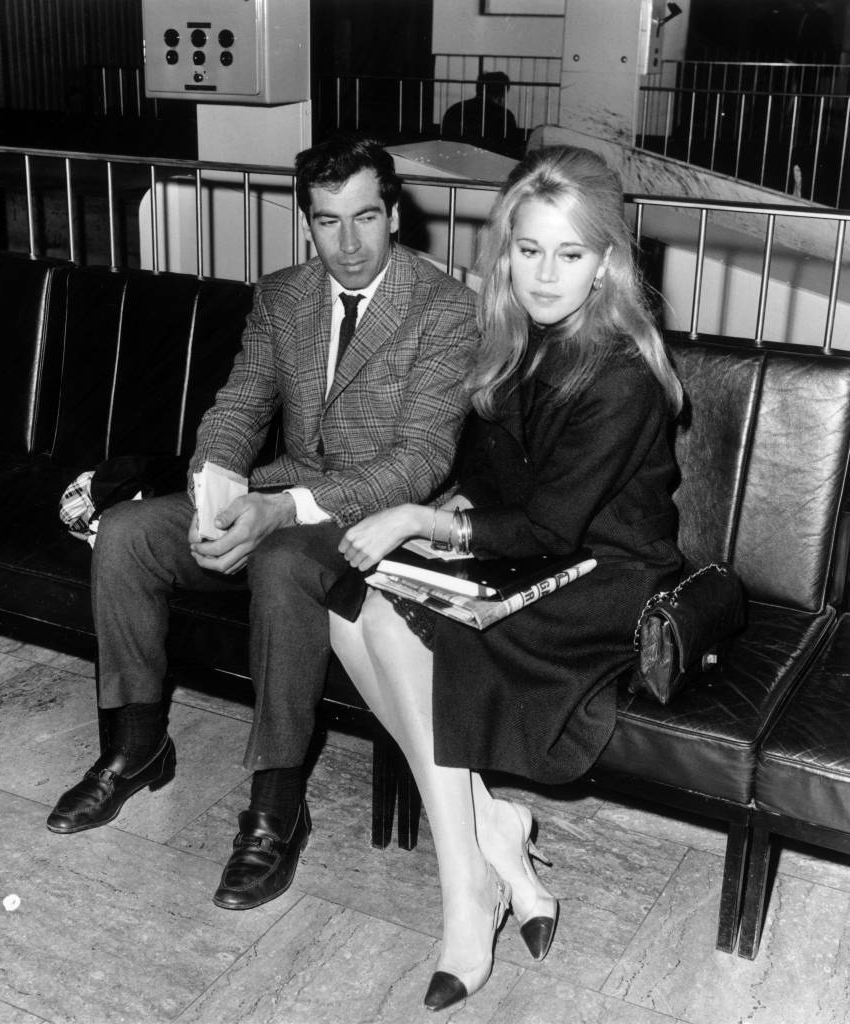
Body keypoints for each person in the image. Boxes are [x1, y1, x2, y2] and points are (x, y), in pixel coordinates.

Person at [46, 135, 479, 913]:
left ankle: (277, 801)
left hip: (377, 521)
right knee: (125, 536)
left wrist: (281, 510)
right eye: (326, 221)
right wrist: (217, 491)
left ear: (394, 212)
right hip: (280, 497)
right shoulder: (284, 295)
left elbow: (419, 460)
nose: (347, 243)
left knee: (281, 566)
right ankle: (135, 747)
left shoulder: (445, 308)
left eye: (365, 218)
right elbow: (240, 407)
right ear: (305, 221)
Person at [330, 145, 684, 1011]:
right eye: (528, 250)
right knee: (349, 608)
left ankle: (467, 897)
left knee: (412, 627)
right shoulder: (511, 341)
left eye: (570, 255)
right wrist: (441, 525)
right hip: (528, 556)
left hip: (607, 577)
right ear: (507, 251)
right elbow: (492, 488)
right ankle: (495, 827)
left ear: (604, 262)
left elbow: (552, 525)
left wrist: (421, 523)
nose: (546, 274)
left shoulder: (623, 372)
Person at [441, 71, 521, 159]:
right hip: (490, 163)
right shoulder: (505, 115)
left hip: (456, 160)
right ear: (502, 93)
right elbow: (511, 147)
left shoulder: (455, 109)